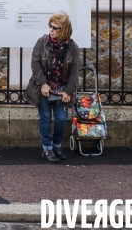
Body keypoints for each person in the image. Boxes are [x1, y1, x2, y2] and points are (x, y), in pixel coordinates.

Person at [25, 12, 80, 163]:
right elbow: (35, 65)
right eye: (50, 26)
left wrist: (68, 91)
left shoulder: (73, 47)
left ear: (64, 30)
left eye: (55, 28)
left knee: (61, 120)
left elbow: (74, 72)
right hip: (44, 88)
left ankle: (56, 146)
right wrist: (43, 84)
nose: (51, 30)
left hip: (61, 90)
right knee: (46, 118)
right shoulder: (42, 42)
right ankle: (47, 148)